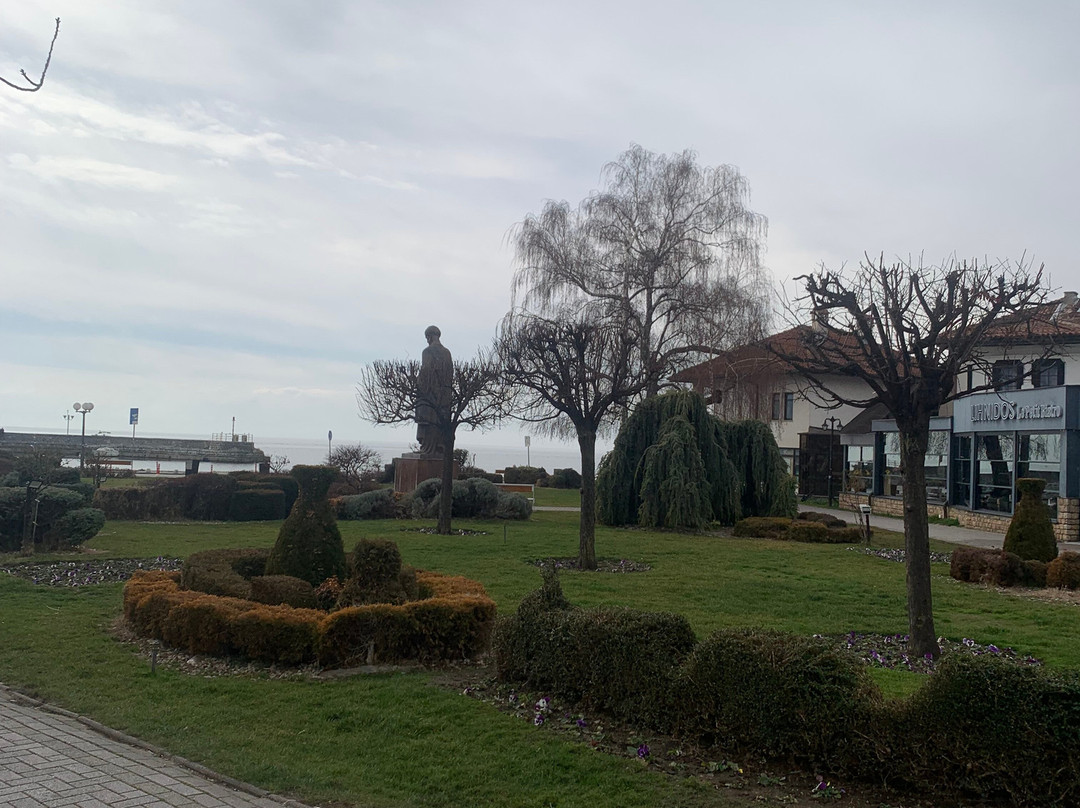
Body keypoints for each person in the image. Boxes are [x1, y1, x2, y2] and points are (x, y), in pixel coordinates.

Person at [415, 325, 452, 456]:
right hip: (444, 396)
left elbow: (426, 372)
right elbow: (449, 374)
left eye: (427, 338)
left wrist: (417, 382)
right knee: (438, 422)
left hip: (429, 395)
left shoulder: (427, 351)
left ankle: (428, 448)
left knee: (428, 422)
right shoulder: (447, 352)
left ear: (429, 336)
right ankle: (438, 447)